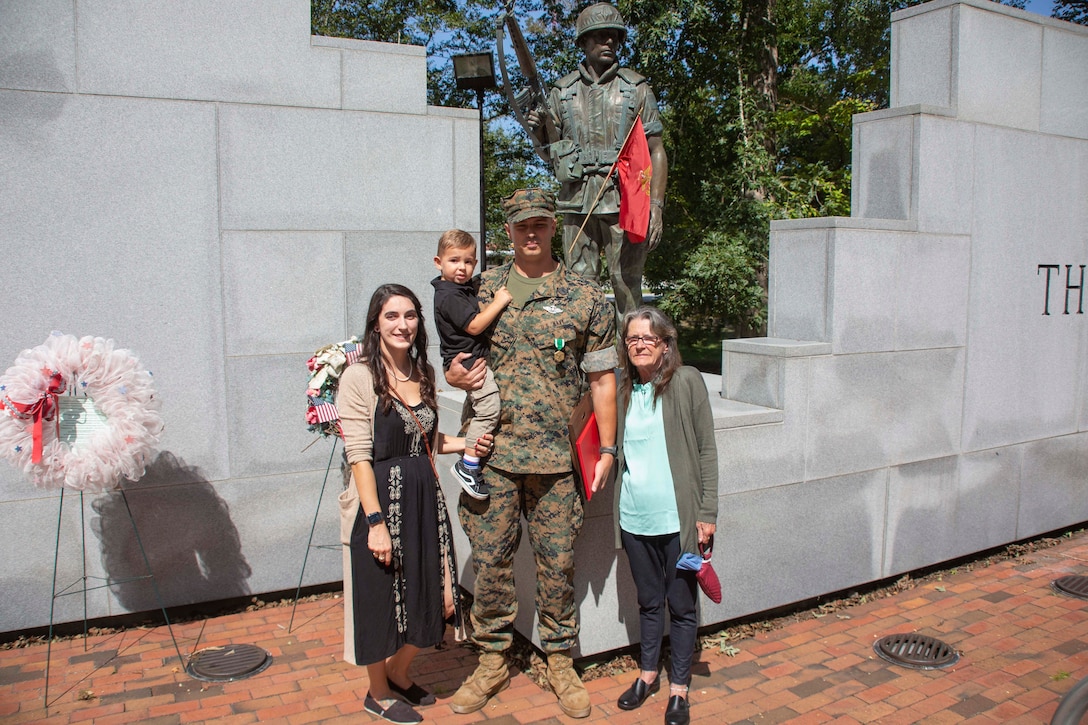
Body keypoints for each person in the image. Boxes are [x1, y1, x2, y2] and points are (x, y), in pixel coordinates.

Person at [444, 188, 618, 719]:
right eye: (522, 226)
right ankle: (493, 657)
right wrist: (452, 374)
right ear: (510, 231)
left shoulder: (586, 296)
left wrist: (607, 446)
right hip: (490, 459)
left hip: (557, 463)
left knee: (558, 564)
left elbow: (604, 378)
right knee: (492, 562)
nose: (532, 234)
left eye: (541, 224)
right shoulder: (480, 289)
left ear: (553, 229)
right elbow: (455, 356)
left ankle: (560, 659)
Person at [338, 284, 493, 725]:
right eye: (392, 316)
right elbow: (360, 456)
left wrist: (467, 441)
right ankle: (378, 691)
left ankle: (401, 674)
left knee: (430, 596)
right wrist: (375, 522)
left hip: (424, 497)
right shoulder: (360, 377)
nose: (402, 324)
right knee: (380, 597)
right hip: (381, 499)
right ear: (376, 323)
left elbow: (425, 439)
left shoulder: (423, 372)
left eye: (410, 315)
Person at [526, 2, 668, 320]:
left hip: (625, 202)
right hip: (577, 203)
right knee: (579, 287)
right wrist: (538, 132)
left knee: (626, 284)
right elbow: (551, 153)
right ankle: (585, 365)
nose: (609, 43)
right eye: (600, 36)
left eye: (614, 37)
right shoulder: (561, 92)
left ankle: (632, 364)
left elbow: (656, 148)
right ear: (583, 43)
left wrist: (656, 205)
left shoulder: (637, 88)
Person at [612, 306, 718, 725]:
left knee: (681, 605)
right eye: (632, 339)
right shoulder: (621, 389)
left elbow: (707, 451)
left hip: (679, 520)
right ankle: (647, 674)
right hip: (634, 518)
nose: (639, 345)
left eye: (647, 339)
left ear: (665, 344)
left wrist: (707, 511)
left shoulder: (687, 381)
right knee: (648, 601)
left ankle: (679, 689)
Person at [430, 229, 512, 500]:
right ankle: (468, 464)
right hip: (469, 363)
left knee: (484, 409)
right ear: (438, 262)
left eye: (468, 261)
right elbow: (475, 326)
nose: (462, 267)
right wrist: (499, 302)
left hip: (469, 361)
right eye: (454, 260)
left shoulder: (458, 289)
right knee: (489, 410)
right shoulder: (450, 295)